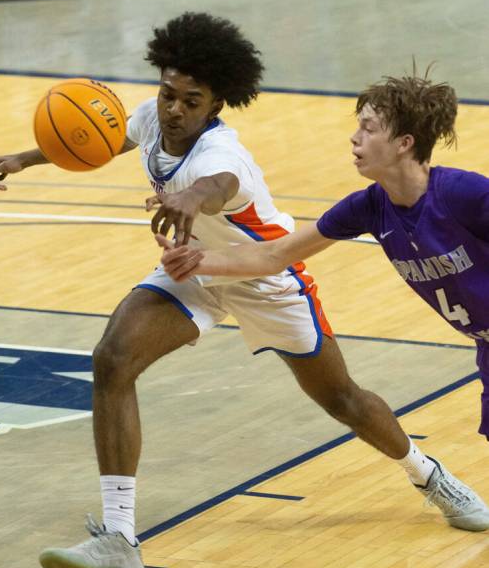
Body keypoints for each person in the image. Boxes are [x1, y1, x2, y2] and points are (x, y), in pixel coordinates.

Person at [0, 27, 488, 568]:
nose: (174, 109)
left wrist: (189, 198)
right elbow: (102, 137)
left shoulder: (224, 155)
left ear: (216, 104)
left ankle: (428, 474)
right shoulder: (153, 116)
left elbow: (217, 188)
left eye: (190, 102)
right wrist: (25, 158)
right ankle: (118, 539)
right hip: (196, 269)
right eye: (169, 93)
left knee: (343, 400)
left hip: (267, 278)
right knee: (113, 358)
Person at [158, 69, 489, 444]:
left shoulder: (464, 195)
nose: (354, 136)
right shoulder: (368, 208)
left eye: (369, 128)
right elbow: (275, 255)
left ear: (403, 143)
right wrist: (198, 262)